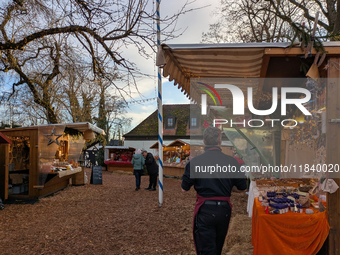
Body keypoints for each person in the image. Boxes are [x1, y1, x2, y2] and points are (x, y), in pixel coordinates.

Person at [181, 127, 247, 255]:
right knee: (217, 247)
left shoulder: (195, 162)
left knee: (206, 250)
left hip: (205, 209)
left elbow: (184, 188)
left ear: (204, 141)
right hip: (224, 210)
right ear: (220, 141)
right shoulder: (232, 162)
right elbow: (242, 188)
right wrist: (225, 187)